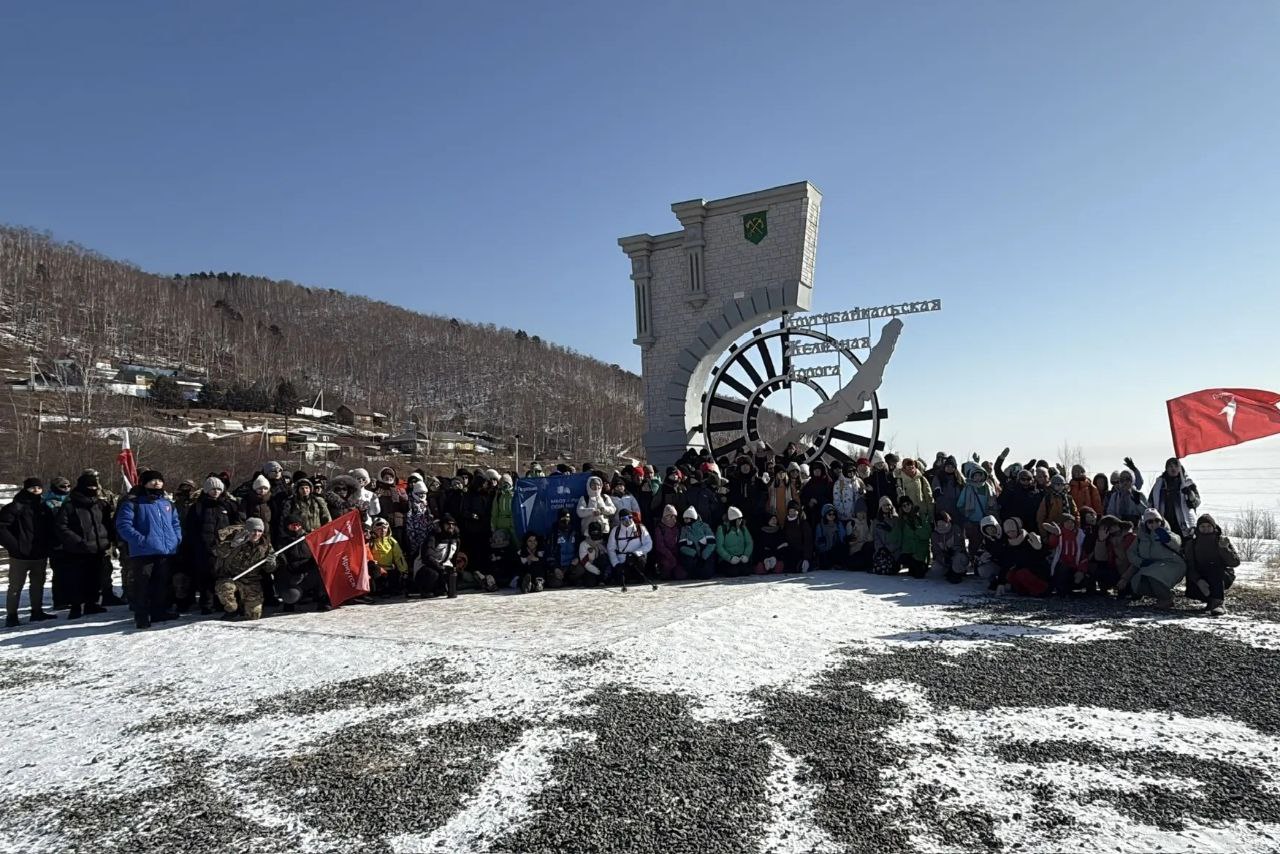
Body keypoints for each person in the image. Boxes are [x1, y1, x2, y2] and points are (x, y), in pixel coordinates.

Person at [114, 470, 182, 629]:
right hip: (143, 552)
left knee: (161, 584)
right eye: (152, 480)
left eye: (159, 480)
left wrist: (176, 539)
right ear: (144, 483)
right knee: (142, 585)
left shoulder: (167, 504)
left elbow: (175, 524)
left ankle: (159, 612)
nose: (157, 483)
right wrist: (140, 540)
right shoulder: (133, 503)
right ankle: (142, 616)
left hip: (165, 550)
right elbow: (123, 526)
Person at [54, 472, 115, 620]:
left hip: (98, 548)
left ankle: (91, 604)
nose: (92, 488)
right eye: (89, 486)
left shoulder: (100, 504)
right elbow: (61, 527)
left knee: (95, 578)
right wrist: (77, 541)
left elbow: (107, 524)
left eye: (95, 486)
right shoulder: (69, 505)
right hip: (78, 549)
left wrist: (109, 540)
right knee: (76, 579)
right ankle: (75, 606)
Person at [180, 476, 241, 614]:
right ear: (207, 490)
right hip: (203, 548)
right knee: (204, 577)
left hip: (225, 548)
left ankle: (221, 602)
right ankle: (206, 604)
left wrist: (232, 541)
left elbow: (238, 524)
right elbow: (190, 529)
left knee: (222, 576)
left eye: (219, 489)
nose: (216, 492)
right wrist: (198, 545)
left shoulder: (228, 505)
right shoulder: (197, 507)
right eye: (213, 489)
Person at [1, 478, 57, 626]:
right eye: (33, 488)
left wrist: (49, 546)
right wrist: (15, 547)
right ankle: (11, 616)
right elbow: (2, 528)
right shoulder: (15, 507)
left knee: (38, 584)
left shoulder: (44, 507)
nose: (36, 490)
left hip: (40, 553)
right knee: (15, 586)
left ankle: (37, 612)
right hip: (20, 555)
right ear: (26, 489)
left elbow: (51, 529)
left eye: (39, 488)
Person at [1124, 509, 1186, 608]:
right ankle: (1162, 594)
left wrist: (1167, 540)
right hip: (1151, 566)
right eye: (1150, 521)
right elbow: (1131, 552)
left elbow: (1177, 543)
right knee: (1138, 583)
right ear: (1145, 524)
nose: (1154, 523)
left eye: (1157, 520)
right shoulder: (1141, 537)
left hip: (1172, 564)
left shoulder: (1166, 533)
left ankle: (1166, 598)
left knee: (1154, 576)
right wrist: (1140, 562)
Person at [212, 518, 273, 620]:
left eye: (259, 531)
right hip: (231, 578)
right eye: (253, 530)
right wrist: (232, 545)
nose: (256, 534)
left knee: (254, 615)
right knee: (225, 588)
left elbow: (269, 569)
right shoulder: (234, 538)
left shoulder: (265, 545)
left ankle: (244, 605)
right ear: (247, 530)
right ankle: (231, 611)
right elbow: (217, 552)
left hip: (251, 580)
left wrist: (271, 563)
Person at [1183, 513, 1239, 616]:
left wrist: (1224, 549)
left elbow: (1235, 562)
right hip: (1201, 576)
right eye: (1203, 526)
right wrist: (1198, 580)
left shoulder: (1221, 540)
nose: (1206, 529)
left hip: (1221, 576)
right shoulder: (1192, 544)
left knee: (1214, 568)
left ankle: (1218, 603)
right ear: (1198, 528)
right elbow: (1189, 566)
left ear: (1214, 527)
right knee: (1193, 586)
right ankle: (1210, 600)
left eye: (1209, 526)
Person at [990, 517, 1047, 596]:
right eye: (1008, 532)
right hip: (1022, 571)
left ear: (1018, 529)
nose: (1011, 534)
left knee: (1021, 573)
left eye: (1013, 531)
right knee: (1011, 574)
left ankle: (1039, 591)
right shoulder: (1008, 544)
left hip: (1037, 573)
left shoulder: (1029, 539)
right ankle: (1022, 590)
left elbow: (1041, 557)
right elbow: (1006, 564)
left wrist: (1039, 548)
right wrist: (1001, 583)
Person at [1148, 457, 1200, 538]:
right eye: (1170, 466)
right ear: (1166, 469)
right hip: (1164, 523)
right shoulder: (1159, 484)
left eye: (1176, 466)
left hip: (1184, 524)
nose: (1173, 468)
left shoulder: (1187, 483)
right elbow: (1151, 503)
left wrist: (1190, 494)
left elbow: (1196, 502)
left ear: (1180, 468)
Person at [43, 476, 73, 610]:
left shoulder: (71, 500)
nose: (66, 489)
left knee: (72, 572)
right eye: (62, 486)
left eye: (68, 486)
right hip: (55, 542)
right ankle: (60, 600)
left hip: (70, 541)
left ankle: (72, 597)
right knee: (60, 573)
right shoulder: (47, 502)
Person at [415, 514, 462, 599]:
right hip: (425, 567)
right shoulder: (433, 537)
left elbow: (454, 557)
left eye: (453, 524)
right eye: (448, 524)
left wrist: (453, 569)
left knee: (453, 575)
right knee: (432, 574)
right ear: (442, 525)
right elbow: (427, 557)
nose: (450, 526)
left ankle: (440, 589)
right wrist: (440, 567)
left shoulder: (456, 539)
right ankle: (425, 590)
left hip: (443, 566)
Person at [956, 463, 998, 555]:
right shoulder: (968, 488)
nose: (978, 478)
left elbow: (994, 502)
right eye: (975, 476)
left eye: (979, 475)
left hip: (986, 520)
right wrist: (966, 515)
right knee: (974, 542)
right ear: (972, 477)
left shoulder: (988, 488)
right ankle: (973, 559)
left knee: (987, 542)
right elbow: (960, 504)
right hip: (972, 521)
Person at [1044, 513, 1090, 595]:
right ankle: (1061, 589)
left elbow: (1084, 554)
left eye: (1072, 522)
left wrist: (1081, 570)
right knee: (1063, 570)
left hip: (1075, 566)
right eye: (1067, 522)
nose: (1070, 524)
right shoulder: (1059, 534)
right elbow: (1052, 545)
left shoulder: (1080, 535)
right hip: (1061, 566)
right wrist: (1055, 535)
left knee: (1085, 578)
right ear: (1062, 523)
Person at [607, 509, 652, 586]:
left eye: (629, 517)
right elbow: (611, 549)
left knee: (640, 563)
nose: (627, 520)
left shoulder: (640, 528)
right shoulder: (615, 531)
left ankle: (639, 577)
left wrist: (636, 553)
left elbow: (648, 544)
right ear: (620, 520)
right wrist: (616, 564)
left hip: (636, 559)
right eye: (624, 519)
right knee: (622, 579)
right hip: (622, 560)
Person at [368, 518, 408, 597]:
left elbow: (398, 557)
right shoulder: (370, 542)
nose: (382, 531)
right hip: (377, 570)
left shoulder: (391, 541)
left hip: (389, 569)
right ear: (374, 530)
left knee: (395, 578)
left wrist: (404, 571)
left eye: (384, 528)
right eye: (379, 529)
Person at [894, 496, 932, 579]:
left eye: (908, 504)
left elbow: (927, 534)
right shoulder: (901, 520)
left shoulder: (921, 516)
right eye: (904, 506)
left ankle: (918, 565)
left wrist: (917, 530)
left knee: (919, 574)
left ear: (911, 504)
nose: (906, 507)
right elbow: (899, 537)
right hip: (909, 552)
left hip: (921, 552)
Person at [678, 506, 717, 580]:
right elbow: (682, 546)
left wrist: (704, 556)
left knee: (706, 574)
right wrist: (693, 553)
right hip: (693, 556)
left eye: (687, 518)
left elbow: (712, 543)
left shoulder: (705, 527)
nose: (685, 521)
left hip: (706, 555)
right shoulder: (684, 529)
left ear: (692, 518)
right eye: (684, 519)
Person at [547, 509, 582, 588]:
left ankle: (569, 580)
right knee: (555, 583)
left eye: (567, 517)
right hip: (559, 566)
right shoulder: (554, 533)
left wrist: (577, 557)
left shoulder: (575, 532)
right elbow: (549, 553)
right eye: (563, 518)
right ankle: (564, 580)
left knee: (581, 570)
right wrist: (555, 568)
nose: (566, 520)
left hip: (572, 566)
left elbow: (580, 548)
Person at [716, 506, 754, 577]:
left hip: (741, 558)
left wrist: (746, 555)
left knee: (746, 572)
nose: (741, 520)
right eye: (739, 519)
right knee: (733, 573)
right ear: (733, 520)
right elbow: (719, 547)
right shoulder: (722, 529)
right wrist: (729, 558)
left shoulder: (743, 528)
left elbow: (749, 542)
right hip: (727, 559)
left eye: (741, 518)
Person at [930, 511, 968, 583]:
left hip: (957, 555)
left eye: (943, 522)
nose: (941, 525)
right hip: (945, 558)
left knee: (959, 558)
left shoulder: (955, 529)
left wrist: (952, 551)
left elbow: (960, 545)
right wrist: (943, 558)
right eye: (939, 523)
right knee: (935, 568)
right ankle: (948, 571)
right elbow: (935, 551)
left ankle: (958, 572)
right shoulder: (935, 534)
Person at [374, 467, 409, 544]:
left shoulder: (399, 490)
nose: (388, 478)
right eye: (386, 477)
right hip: (383, 523)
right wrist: (375, 498)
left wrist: (404, 500)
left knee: (399, 544)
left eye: (391, 476)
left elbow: (405, 509)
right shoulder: (377, 490)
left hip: (398, 523)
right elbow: (374, 509)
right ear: (381, 477)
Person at [782, 501, 814, 573]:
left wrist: (806, 557)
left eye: (794, 511)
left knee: (798, 567)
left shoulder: (803, 523)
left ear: (797, 511)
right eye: (790, 511)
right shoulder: (786, 522)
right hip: (789, 551)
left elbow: (808, 541)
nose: (792, 513)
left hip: (801, 552)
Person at [652, 504, 683, 580]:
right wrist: (670, 556)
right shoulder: (659, 528)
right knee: (667, 565)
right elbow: (660, 546)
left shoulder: (678, 527)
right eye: (670, 516)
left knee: (681, 575)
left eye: (674, 516)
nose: (673, 518)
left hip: (676, 554)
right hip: (664, 555)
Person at [872, 496, 900, 575]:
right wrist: (881, 548)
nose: (887, 507)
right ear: (880, 507)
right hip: (882, 551)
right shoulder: (876, 521)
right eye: (884, 505)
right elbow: (876, 537)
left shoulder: (896, 520)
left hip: (894, 551)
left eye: (888, 505)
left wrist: (889, 549)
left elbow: (898, 538)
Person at [813, 504, 844, 570]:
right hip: (825, 551)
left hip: (836, 551)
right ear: (825, 515)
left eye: (833, 514)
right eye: (829, 514)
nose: (832, 516)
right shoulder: (820, 526)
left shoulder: (838, 525)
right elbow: (818, 543)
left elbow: (843, 539)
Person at [490, 474, 516, 543]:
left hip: (513, 525)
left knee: (515, 546)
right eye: (503, 483)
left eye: (507, 483)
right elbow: (494, 512)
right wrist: (494, 526)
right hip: (501, 526)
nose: (505, 485)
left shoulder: (516, 495)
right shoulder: (499, 495)